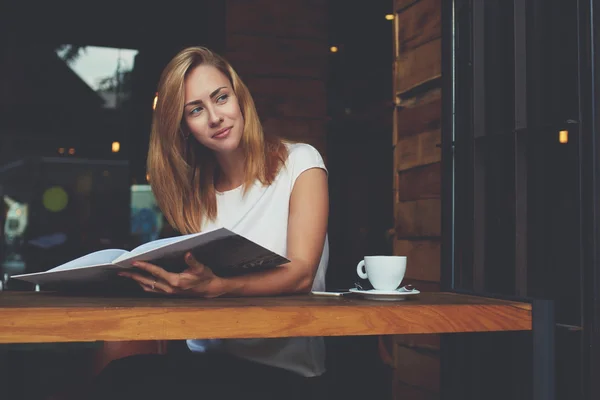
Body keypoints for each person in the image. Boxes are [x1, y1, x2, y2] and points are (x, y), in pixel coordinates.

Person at [87, 46, 330, 400]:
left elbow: (302, 273)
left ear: (239, 98)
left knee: (127, 380)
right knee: (118, 369)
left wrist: (218, 287)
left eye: (221, 98)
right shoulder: (198, 197)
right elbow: (199, 289)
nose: (215, 117)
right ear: (184, 128)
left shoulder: (300, 162)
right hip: (209, 357)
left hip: (285, 371)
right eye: (197, 110)